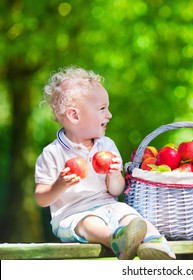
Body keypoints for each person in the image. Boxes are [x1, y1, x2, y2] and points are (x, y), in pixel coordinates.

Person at [35, 66, 175, 260]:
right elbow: (42, 198)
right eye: (102, 109)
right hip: (73, 215)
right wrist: (60, 184)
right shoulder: (53, 153)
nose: (109, 114)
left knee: (132, 217)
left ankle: (155, 243)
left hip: (108, 206)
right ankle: (115, 240)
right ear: (75, 116)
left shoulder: (106, 145)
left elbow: (116, 191)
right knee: (89, 223)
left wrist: (114, 174)